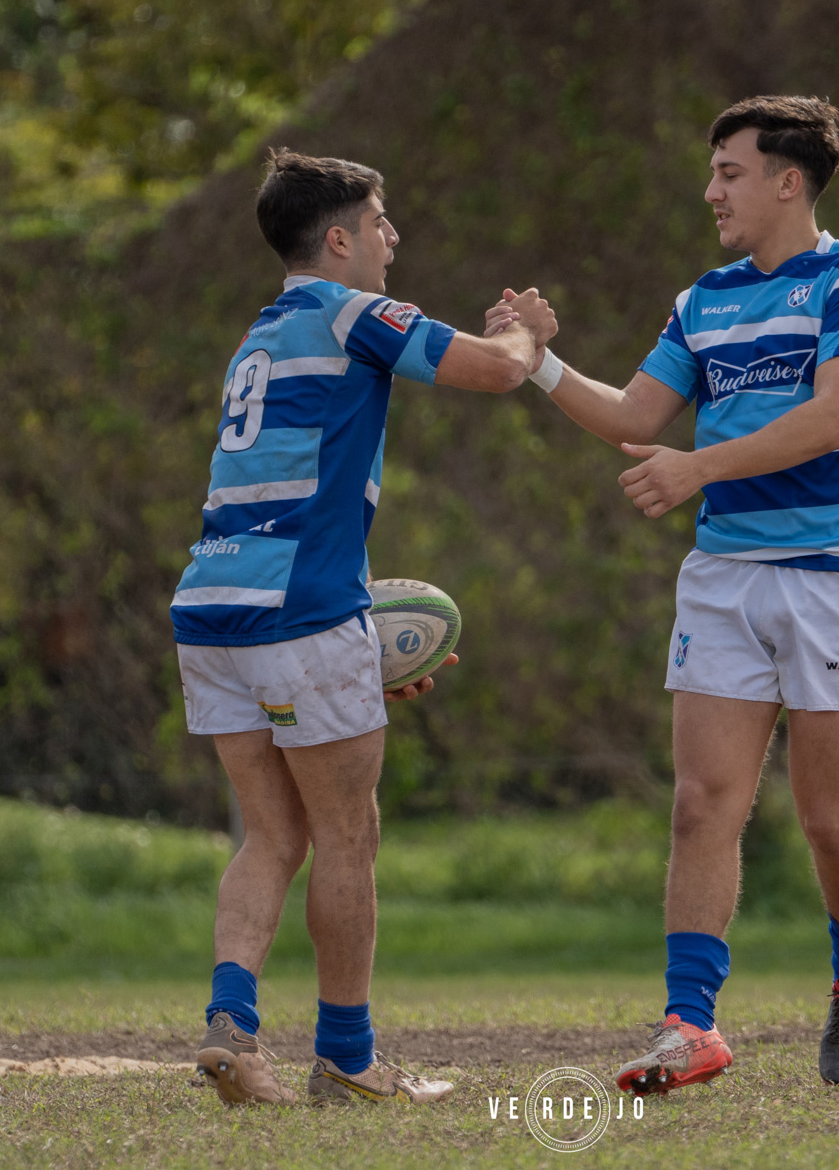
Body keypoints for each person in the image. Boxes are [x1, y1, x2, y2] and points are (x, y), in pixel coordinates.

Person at [499, 96, 839, 1089]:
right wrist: (537, 360)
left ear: (788, 181)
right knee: (699, 806)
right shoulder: (705, 299)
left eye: (729, 171)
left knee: (828, 819)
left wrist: (699, 467)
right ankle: (690, 1026)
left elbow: (833, 420)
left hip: (837, 576)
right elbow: (636, 413)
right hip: (724, 575)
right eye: (713, 171)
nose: (711, 189)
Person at [173, 150, 556, 1105]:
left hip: (211, 606)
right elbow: (491, 372)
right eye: (381, 222)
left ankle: (233, 1023)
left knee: (272, 834)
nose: (394, 238)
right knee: (348, 836)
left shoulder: (260, 335)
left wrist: (362, 651)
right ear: (337, 239)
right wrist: (525, 334)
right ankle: (347, 1060)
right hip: (303, 607)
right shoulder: (354, 312)